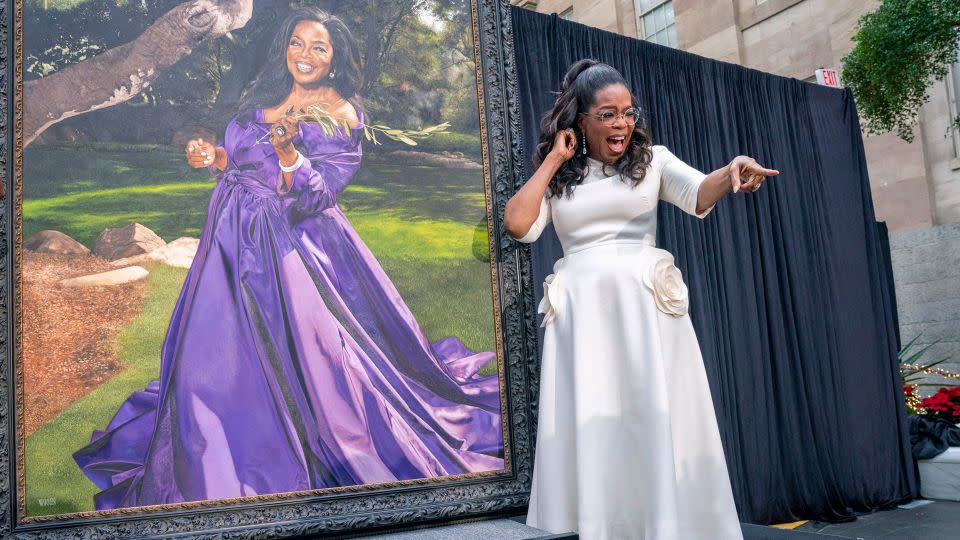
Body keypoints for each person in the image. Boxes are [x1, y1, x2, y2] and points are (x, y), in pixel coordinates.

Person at [74, 7, 503, 510]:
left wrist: (290, 157)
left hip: (288, 246)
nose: (305, 55)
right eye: (297, 43)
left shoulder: (342, 113)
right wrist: (209, 156)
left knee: (305, 355)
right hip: (229, 235)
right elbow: (235, 159)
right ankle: (211, 437)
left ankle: (281, 449)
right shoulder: (266, 95)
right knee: (212, 348)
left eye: (319, 47)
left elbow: (318, 196)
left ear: (336, 57)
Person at [505, 59, 778, 540]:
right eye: (607, 114)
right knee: (595, 425)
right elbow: (519, 225)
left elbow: (698, 193)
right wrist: (552, 160)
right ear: (580, 121)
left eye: (628, 112)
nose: (622, 123)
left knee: (650, 417)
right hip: (584, 322)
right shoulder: (563, 178)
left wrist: (732, 169)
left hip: (646, 315)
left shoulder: (653, 162)